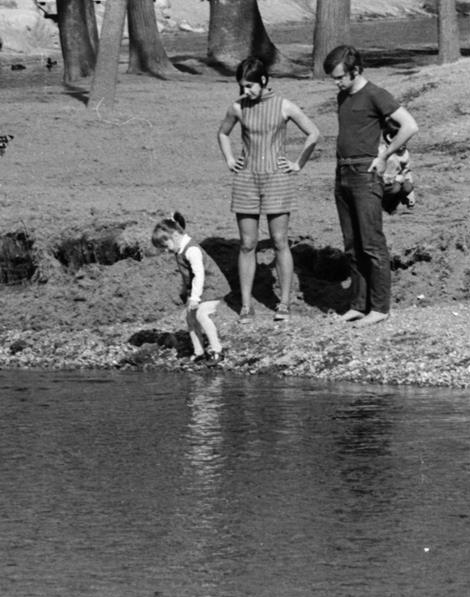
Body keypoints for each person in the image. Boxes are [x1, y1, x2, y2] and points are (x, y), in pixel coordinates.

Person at [216, 57, 320, 323]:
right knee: (248, 243)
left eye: (250, 85)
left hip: (278, 178)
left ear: (263, 81)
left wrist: (298, 163)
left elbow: (313, 133)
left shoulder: (284, 105)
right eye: (242, 86)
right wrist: (230, 160)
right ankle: (246, 305)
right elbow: (223, 133)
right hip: (246, 179)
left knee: (279, 241)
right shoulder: (238, 107)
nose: (245, 91)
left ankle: (283, 303)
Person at [324, 45, 418, 327]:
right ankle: (358, 303)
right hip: (343, 173)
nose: (337, 83)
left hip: (366, 174)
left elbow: (409, 126)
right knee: (352, 245)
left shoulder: (375, 94)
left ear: (355, 71)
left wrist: (384, 156)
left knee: (372, 244)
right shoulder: (343, 96)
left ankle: (380, 307)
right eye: (334, 78)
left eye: (340, 77)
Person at [152, 212, 224, 364]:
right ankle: (199, 352)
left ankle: (217, 350)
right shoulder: (178, 246)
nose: (166, 251)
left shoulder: (192, 250)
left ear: (175, 237)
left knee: (202, 315)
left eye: (165, 246)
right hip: (198, 288)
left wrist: (195, 297)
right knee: (190, 318)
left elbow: (199, 275)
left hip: (212, 286)